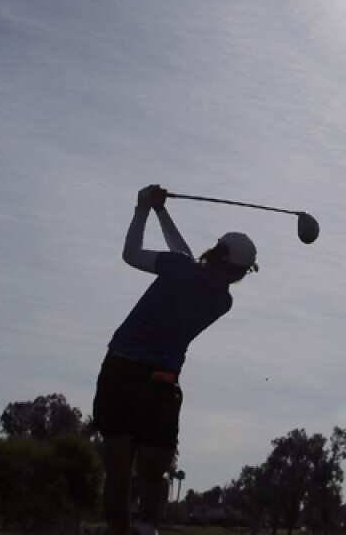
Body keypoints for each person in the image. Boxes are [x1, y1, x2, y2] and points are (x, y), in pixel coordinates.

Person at [93, 184, 258, 535]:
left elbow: (131, 254)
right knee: (155, 470)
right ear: (238, 272)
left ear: (215, 251)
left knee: (119, 470)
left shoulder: (179, 268)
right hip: (161, 382)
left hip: (121, 369)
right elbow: (184, 257)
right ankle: (147, 527)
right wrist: (161, 212)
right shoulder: (222, 301)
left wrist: (143, 208)